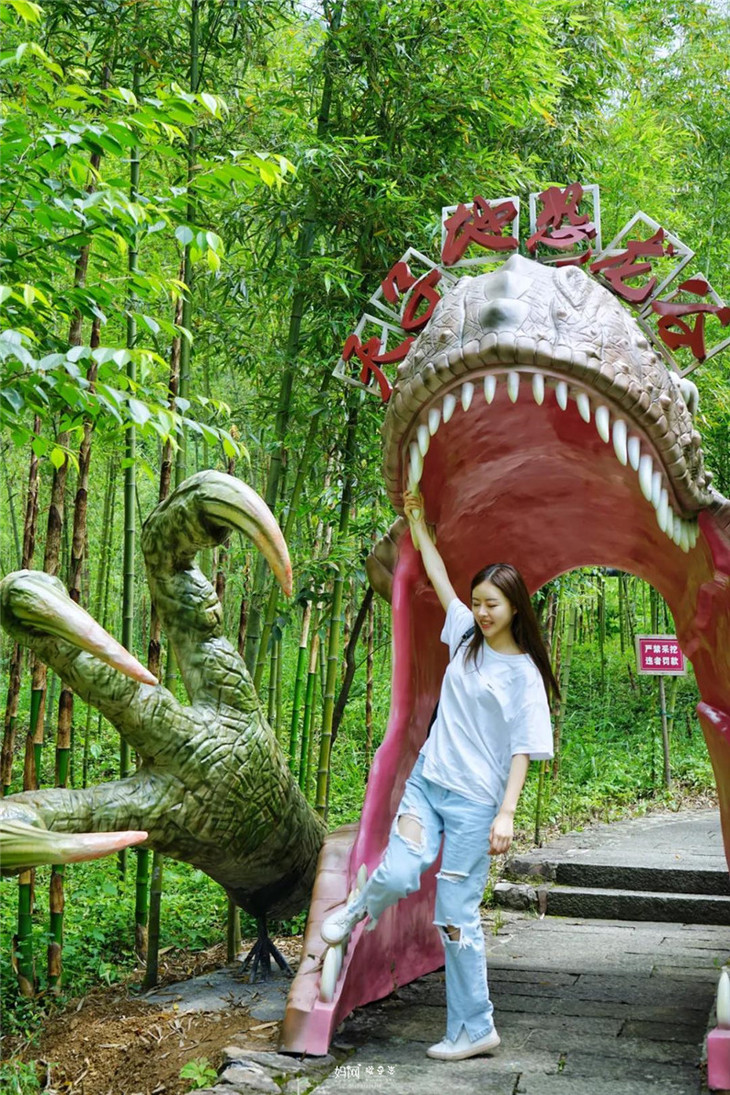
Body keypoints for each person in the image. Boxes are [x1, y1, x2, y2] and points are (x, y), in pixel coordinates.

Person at [320, 490, 559, 1062]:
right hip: (429, 783)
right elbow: (438, 575)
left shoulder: (523, 675)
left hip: (476, 805)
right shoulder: (465, 634)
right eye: (477, 601)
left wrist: (506, 813)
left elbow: (523, 750)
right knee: (401, 871)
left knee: (455, 918)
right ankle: (356, 909)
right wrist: (418, 523)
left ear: (515, 608)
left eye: (492, 604)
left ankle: (474, 1028)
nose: (482, 611)